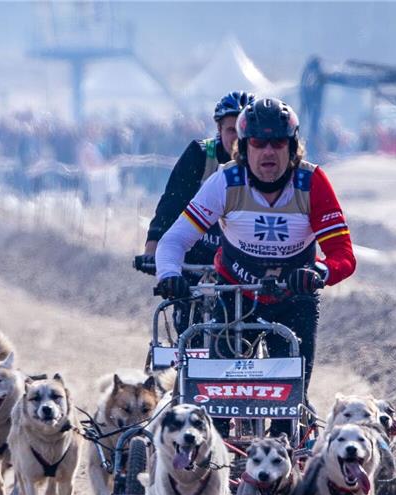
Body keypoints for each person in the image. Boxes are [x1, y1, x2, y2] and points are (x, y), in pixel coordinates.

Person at [153, 98, 356, 439]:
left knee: (290, 404)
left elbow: (343, 254)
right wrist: (169, 274)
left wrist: (319, 271)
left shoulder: (312, 182)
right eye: (258, 143)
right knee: (214, 401)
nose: (268, 153)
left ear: (293, 148)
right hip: (233, 296)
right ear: (242, 147)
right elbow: (174, 241)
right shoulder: (225, 181)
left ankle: (286, 449)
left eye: (278, 143)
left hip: (294, 298)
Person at [142, 91, 254, 261]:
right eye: (232, 130)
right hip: (197, 253)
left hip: (244, 258)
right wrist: (152, 247)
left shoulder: (266, 162)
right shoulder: (201, 154)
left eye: (244, 130)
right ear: (219, 129)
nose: (238, 138)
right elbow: (172, 201)